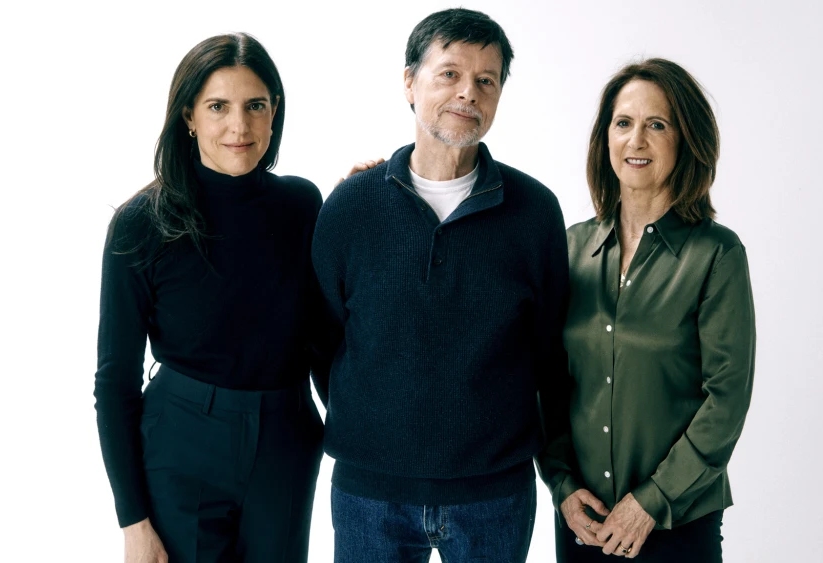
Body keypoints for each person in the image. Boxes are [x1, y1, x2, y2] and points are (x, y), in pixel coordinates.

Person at [311, 8, 570, 563]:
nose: (467, 93)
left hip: (494, 494)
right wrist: (379, 420)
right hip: (369, 494)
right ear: (409, 82)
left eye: (486, 80)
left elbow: (548, 352)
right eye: (449, 73)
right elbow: (323, 338)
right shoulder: (351, 207)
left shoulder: (534, 212)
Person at [94, 33, 325, 563]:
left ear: (275, 113)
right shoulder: (141, 225)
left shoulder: (304, 205)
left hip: (285, 441)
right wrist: (133, 521)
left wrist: (365, 199)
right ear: (189, 116)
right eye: (218, 106)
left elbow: (327, 329)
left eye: (255, 106)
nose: (239, 126)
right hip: (182, 442)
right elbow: (114, 383)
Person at [537, 58, 756, 562]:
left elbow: (725, 399)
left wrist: (651, 501)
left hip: (677, 525)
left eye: (656, 124)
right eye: (623, 123)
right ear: (605, 139)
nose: (636, 140)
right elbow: (545, 382)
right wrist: (562, 487)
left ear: (685, 140)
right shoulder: (569, 250)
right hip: (582, 522)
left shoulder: (717, 255)